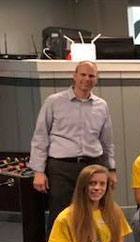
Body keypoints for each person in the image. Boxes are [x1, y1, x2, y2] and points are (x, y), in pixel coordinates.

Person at [29, 61, 116, 226]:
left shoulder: (101, 105)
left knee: (94, 213)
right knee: (60, 215)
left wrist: (111, 169)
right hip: (62, 168)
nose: (87, 79)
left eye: (91, 76)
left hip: (93, 165)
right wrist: (38, 171)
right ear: (74, 76)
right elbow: (40, 137)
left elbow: (107, 142)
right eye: (83, 74)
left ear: (96, 79)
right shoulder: (54, 102)